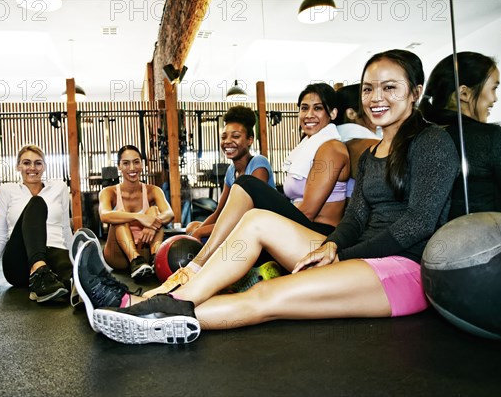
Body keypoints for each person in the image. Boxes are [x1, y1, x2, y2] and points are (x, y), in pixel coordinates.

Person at [76, 49, 460, 344]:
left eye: (390, 87)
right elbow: (355, 219)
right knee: (257, 220)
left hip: (401, 270)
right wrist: (333, 247)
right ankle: (140, 306)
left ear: (415, 92)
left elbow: (420, 223)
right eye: (368, 89)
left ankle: (144, 315)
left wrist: (342, 254)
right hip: (355, 252)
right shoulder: (375, 153)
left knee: (266, 296)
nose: (376, 97)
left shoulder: (432, 142)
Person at [143, 83, 351, 297]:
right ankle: (189, 289)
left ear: (333, 113)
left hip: (318, 235)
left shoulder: (330, 149)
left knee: (247, 185)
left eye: (317, 108)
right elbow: (222, 211)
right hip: (301, 227)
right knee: (242, 228)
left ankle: (194, 269)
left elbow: (306, 213)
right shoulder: (308, 147)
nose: (309, 114)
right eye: (304, 108)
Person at [0, 144, 73, 304]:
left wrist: (76, 259)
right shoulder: (6, 190)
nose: (32, 168)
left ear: (44, 166)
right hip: (19, 261)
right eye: (26, 163)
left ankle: (53, 284)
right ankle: (39, 270)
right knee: (36, 203)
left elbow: (66, 229)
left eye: (38, 163)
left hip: (55, 253)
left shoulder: (59, 187)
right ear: (18, 166)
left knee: (71, 277)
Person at [419, 51, 501, 218]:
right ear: (464, 93)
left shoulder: (422, 138)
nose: (494, 98)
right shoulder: (491, 138)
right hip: (488, 239)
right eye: (493, 88)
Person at [185, 105, 276, 240]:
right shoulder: (231, 171)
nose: (227, 141)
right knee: (192, 226)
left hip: (260, 228)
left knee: (200, 232)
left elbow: (246, 216)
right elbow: (219, 212)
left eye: (236, 136)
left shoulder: (258, 163)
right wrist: (196, 232)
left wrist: (201, 232)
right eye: (224, 136)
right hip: (238, 226)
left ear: (250, 140)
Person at [99, 145, 174, 279]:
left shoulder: (153, 190)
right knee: (119, 215)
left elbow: (169, 213)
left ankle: (154, 257)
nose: (132, 168)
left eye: (136, 162)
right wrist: (138, 217)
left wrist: (153, 225)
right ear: (119, 166)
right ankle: (135, 260)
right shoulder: (109, 192)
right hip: (118, 255)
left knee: (154, 210)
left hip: (144, 248)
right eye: (126, 163)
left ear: (142, 164)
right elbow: (104, 215)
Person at [334, 83, 382, 197]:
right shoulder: (371, 145)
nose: (379, 108)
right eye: (371, 105)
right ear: (351, 113)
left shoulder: (331, 140)